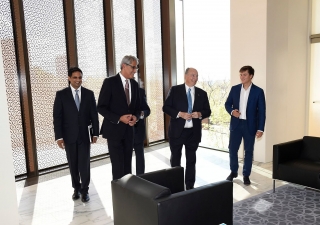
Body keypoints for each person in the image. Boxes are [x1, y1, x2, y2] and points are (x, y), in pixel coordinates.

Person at [53, 67, 99, 202]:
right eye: (75, 77)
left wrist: (95, 132)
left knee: (84, 164)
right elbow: (57, 118)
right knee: (73, 164)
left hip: (84, 135)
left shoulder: (89, 94)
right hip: (69, 136)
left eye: (80, 77)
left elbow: (94, 115)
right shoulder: (61, 95)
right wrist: (59, 137)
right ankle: (76, 188)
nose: (78, 80)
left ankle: (85, 190)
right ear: (69, 78)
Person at [162, 67, 211, 190]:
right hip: (177, 132)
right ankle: (175, 186)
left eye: (196, 76)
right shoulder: (175, 90)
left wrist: (199, 114)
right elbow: (166, 107)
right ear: (185, 76)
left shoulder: (202, 93)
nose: (195, 78)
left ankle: (189, 187)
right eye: (192, 75)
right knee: (175, 161)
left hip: (192, 133)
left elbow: (208, 111)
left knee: (191, 161)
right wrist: (180, 114)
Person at [97, 55, 141, 180]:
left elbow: (137, 108)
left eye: (136, 67)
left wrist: (135, 118)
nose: (135, 70)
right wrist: (119, 118)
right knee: (117, 167)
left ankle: (127, 194)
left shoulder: (135, 85)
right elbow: (101, 107)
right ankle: (118, 197)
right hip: (113, 131)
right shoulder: (110, 82)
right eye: (133, 67)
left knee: (127, 166)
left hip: (129, 132)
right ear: (124, 66)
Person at [225, 65, 266, 185]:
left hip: (250, 125)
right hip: (236, 125)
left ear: (251, 76)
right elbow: (227, 104)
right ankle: (233, 172)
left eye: (244, 75)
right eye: (240, 74)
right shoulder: (235, 89)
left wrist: (260, 128)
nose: (242, 77)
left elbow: (262, 111)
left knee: (248, 151)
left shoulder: (258, 91)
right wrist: (233, 112)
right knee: (232, 149)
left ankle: (246, 174)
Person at [133, 82, 150, 175]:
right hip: (122, 132)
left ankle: (141, 178)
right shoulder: (117, 92)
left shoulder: (140, 92)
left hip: (138, 130)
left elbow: (147, 110)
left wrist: (141, 114)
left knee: (139, 157)